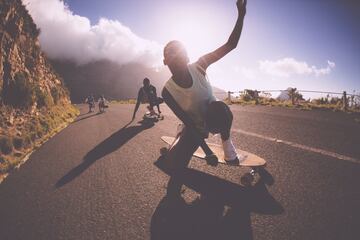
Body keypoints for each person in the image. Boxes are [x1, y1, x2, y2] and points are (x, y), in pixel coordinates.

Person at [162, 0, 247, 170]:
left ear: (187, 57)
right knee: (173, 166)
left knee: (219, 107)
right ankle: (180, 136)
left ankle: (228, 145)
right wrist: (207, 151)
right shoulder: (167, 92)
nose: (175, 53)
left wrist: (241, 15)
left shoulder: (200, 65)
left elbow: (231, 45)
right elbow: (189, 121)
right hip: (194, 126)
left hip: (213, 118)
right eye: (170, 52)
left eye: (179, 50)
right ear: (165, 61)